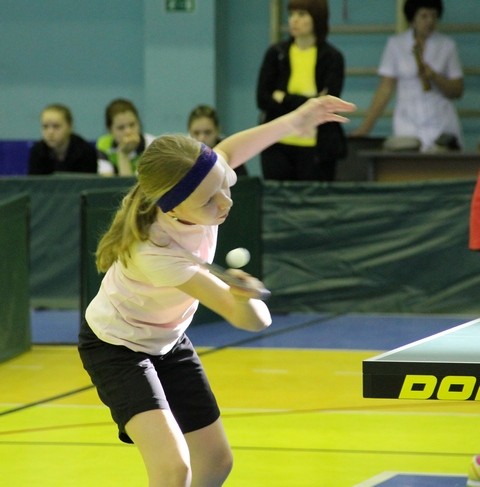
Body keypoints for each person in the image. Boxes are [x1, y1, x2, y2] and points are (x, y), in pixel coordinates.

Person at [78, 95, 356, 487]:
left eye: (223, 185)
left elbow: (231, 151)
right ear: (173, 210)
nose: (224, 201)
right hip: (117, 347)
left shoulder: (203, 182)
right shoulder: (156, 252)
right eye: (209, 201)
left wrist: (296, 120)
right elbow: (245, 318)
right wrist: (242, 300)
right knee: (173, 469)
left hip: (168, 339)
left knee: (215, 461)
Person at [351, 0, 464, 152]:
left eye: (433, 16)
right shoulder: (396, 45)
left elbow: (457, 90)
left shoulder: (447, 45)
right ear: (412, 19)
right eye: (424, 16)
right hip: (407, 124)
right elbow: (385, 89)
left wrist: (435, 76)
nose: (429, 21)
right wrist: (365, 128)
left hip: (441, 123)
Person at [256, 0, 346, 181]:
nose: (294, 20)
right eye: (291, 15)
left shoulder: (332, 57)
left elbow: (326, 104)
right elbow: (262, 99)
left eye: (302, 14)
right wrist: (310, 101)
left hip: (317, 146)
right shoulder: (276, 53)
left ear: (317, 19)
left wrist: (283, 98)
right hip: (277, 143)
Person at [28, 104, 97, 175]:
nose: (50, 132)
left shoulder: (86, 152)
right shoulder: (37, 151)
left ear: (70, 127)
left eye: (56, 126)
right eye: (45, 126)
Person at [97, 98, 155, 176]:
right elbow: (107, 181)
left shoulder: (152, 145)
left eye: (132, 125)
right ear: (110, 130)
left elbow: (137, 183)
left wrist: (123, 154)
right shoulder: (104, 144)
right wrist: (123, 153)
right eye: (121, 128)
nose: (128, 131)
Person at [187, 104, 248, 177]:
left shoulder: (231, 153)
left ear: (217, 130)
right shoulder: (183, 157)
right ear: (189, 131)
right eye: (196, 133)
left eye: (207, 132)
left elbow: (243, 182)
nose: (201, 139)